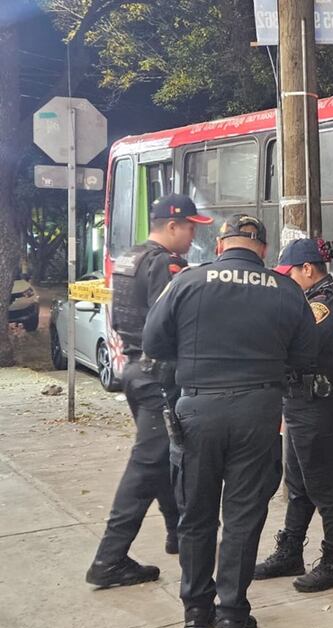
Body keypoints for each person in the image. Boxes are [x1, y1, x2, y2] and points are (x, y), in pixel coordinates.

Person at [143, 214, 317, 628]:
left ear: (220, 246)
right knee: (242, 516)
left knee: (196, 513)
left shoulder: (187, 281)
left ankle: (195, 610)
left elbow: (153, 343)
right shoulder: (287, 289)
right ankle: (231, 616)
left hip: (197, 408)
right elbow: (306, 355)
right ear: (262, 250)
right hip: (258, 412)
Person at [85, 194, 212, 588]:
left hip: (136, 370)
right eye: (190, 227)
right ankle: (109, 560)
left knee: (161, 460)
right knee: (147, 467)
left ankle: (177, 533)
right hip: (159, 376)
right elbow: (177, 322)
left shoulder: (130, 258)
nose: (193, 235)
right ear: (172, 226)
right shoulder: (165, 265)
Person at [253, 238, 333, 592]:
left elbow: (298, 341)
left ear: (308, 269)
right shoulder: (309, 299)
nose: (286, 281)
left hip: (319, 405)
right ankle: (290, 551)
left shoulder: (326, 302)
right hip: (301, 402)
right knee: (297, 485)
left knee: (325, 487)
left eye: (290, 274)